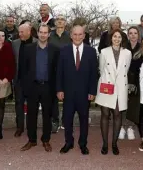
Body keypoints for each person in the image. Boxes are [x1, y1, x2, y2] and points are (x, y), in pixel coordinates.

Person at [56, 23, 98, 155]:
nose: (77, 37)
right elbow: (59, 72)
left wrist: (92, 91)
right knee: (67, 119)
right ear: (71, 35)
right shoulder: (63, 50)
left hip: (85, 94)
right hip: (68, 93)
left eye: (80, 34)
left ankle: (83, 144)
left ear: (84, 35)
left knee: (84, 120)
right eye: (75, 34)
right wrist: (59, 89)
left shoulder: (91, 51)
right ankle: (68, 142)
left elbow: (94, 73)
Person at [20, 24, 60, 152]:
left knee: (47, 115)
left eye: (45, 32)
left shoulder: (55, 49)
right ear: (37, 33)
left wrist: (57, 88)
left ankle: (46, 140)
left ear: (49, 34)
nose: (43, 34)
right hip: (32, 87)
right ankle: (32, 140)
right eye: (41, 32)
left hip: (48, 87)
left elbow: (57, 71)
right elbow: (23, 70)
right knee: (31, 115)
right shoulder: (28, 49)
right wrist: (25, 88)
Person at [95, 29, 132, 155]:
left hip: (120, 87)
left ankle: (114, 144)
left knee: (117, 115)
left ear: (123, 39)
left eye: (119, 37)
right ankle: (105, 144)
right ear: (111, 38)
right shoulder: (103, 52)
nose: (117, 39)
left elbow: (126, 70)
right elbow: (101, 69)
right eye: (115, 36)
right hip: (107, 85)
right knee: (105, 115)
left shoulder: (127, 53)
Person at [11, 23, 38, 137]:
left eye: (22, 32)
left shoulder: (37, 43)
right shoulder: (15, 43)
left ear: (29, 31)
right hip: (19, 79)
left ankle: (32, 127)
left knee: (33, 105)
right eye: (19, 32)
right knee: (19, 104)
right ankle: (19, 127)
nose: (20, 34)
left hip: (33, 81)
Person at [48, 14, 71, 132]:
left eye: (62, 19)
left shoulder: (70, 36)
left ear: (66, 23)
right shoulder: (49, 36)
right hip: (52, 70)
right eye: (58, 19)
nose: (60, 21)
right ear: (55, 22)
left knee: (67, 97)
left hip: (67, 70)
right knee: (53, 98)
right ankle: (55, 121)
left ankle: (65, 120)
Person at [119, 26, 141, 140]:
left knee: (133, 105)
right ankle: (122, 127)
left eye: (135, 33)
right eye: (130, 33)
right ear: (128, 35)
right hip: (123, 79)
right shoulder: (123, 48)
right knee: (122, 104)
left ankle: (131, 127)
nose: (133, 35)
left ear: (138, 35)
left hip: (138, 81)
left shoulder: (142, 47)